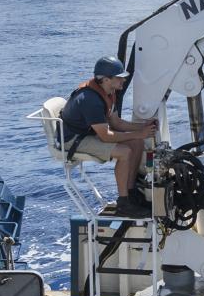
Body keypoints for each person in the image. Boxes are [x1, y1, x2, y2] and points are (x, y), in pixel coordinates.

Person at [58, 56, 156, 218]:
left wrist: (144, 127)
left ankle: (131, 193)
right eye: (119, 78)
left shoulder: (109, 93)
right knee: (124, 152)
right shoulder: (90, 100)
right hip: (73, 140)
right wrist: (140, 132)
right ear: (105, 80)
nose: (123, 81)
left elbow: (117, 123)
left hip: (88, 134)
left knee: (137, 143)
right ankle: (124, 203)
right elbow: (106, 136)